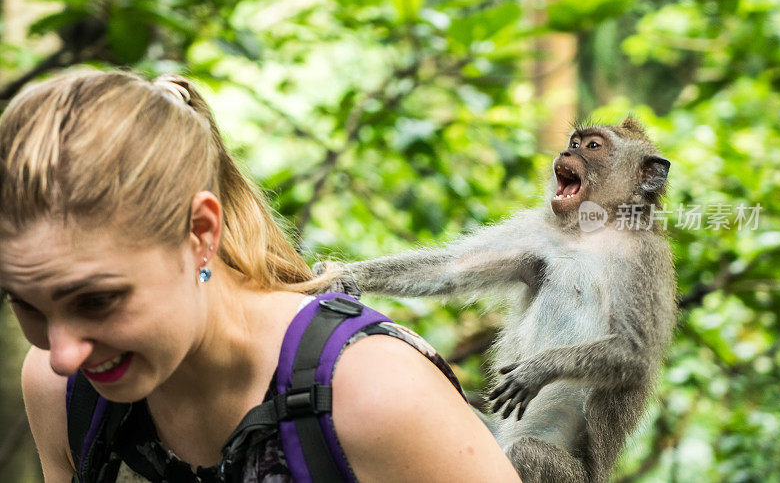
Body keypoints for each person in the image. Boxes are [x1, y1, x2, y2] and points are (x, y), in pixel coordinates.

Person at [0, 69, 520, 482]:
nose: (63, 353)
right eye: (26, 304)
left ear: (200, 232)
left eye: (96, 301)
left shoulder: (374, 395)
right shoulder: (62, 392)